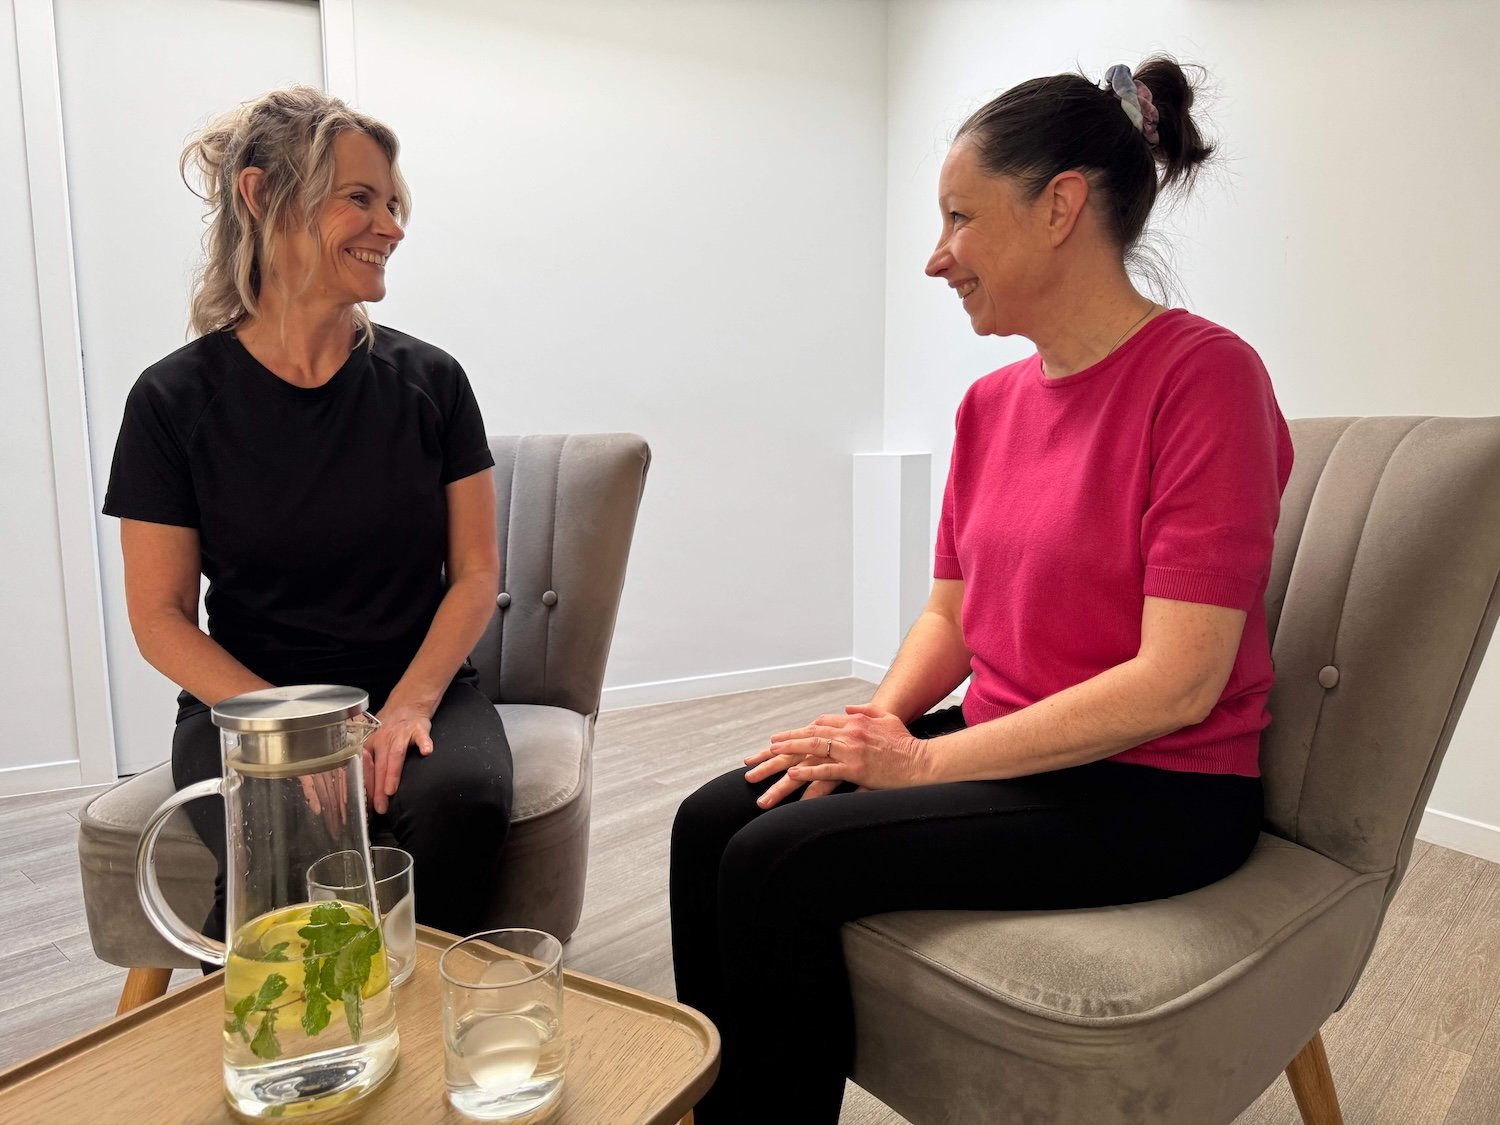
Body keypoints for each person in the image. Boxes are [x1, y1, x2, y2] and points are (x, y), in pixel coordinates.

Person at [670, 56, 1293, 1123]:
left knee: (776, 859)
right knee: (709, 819)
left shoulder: (1205, 378)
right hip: (1017, 746)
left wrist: (919, 764)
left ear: (1060, 207)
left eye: (959, 218)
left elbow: (1178, 684)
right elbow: (951, 618)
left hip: (1157, 786)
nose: (934, 257)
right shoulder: (990, 405)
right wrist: (875, 724)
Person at [103, 87, 513, 949]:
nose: (391, 226)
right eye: (360, 198)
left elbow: (477, 574)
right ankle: (261, 1040)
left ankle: (425, 1033)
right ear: (260, 196)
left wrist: (407, 707)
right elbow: (159, 617)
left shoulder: (432, 382)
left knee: (463, 805)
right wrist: (297, 727)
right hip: (249, 704)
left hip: (416, 689)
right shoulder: (171, 401)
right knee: (283, 860)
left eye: (392, 203)